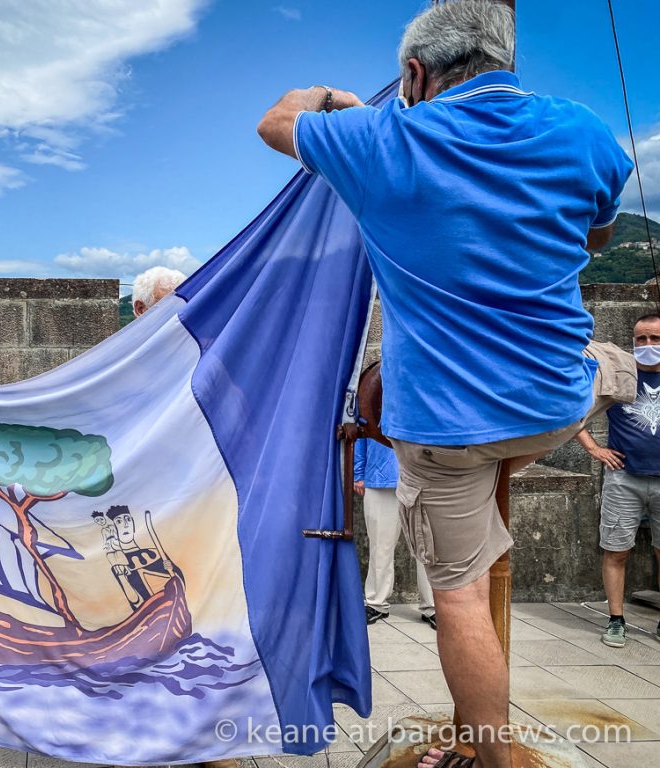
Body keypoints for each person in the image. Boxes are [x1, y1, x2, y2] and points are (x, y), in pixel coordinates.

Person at [256, 3, 635, 767]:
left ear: (415, 73)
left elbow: (276, 119)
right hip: (557, 400)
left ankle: (487, 753)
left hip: (449, 429)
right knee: (609, 365)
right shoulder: (585, 131)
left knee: (458, 593)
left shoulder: (383, 137)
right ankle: (624, 371)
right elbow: (597, 234)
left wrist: (346, 103)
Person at [131, 266, 237, 768]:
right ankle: (147, 735)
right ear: (139, 310)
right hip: (146, 511)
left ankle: (212, 740)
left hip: (201, 513)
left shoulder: (207, 354)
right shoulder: (121, 366)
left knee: (207, 624)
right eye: (171, 301)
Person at [576, 314, 660, 648]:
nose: (648, 345)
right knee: (616, 550)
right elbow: (573, 411)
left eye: (654, 338)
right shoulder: (620, 374)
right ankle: (615, 619)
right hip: (624, 477)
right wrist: (594, 448)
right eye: (641, 339)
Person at [355, 438, 435, 628]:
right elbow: (361, 430)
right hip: (378, 478)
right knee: (379, 547)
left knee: (427, 547)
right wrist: (358, 472)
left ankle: (433, 606)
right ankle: (376, 603)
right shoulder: (373, 405)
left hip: (423, 479)